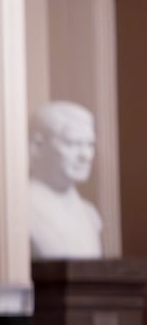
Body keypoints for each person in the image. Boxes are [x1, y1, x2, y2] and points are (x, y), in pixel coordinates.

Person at [29, 98, 104, 259]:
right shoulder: (22, 210)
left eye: (90, 144)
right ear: (37, 146)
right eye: (73, 143)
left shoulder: (90, 215)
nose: (85, 155)